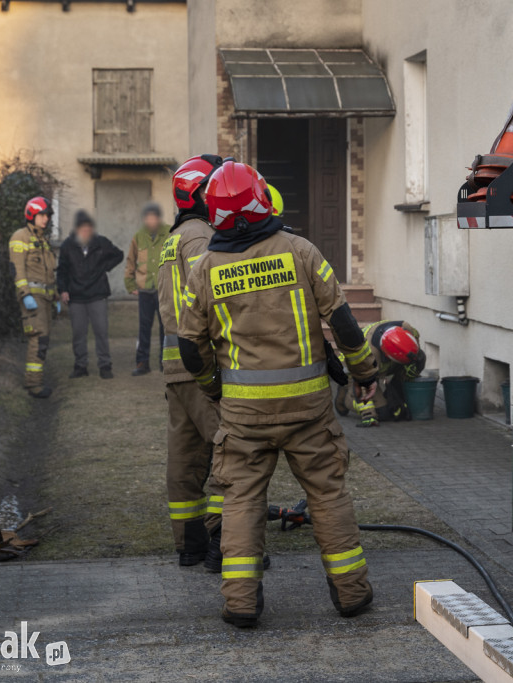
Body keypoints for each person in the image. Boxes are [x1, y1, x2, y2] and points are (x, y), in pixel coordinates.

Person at [177, 161, 378, 628]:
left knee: (241, 502)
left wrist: (212, 389)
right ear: (260, 199)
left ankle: (241, 603)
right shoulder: (300, 250)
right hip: (309, 412)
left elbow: (191, 347)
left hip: (244, 417)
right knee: (328, 495)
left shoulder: (205, 268)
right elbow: (344, 323)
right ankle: (351, 594)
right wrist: (364, 369)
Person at [157, 154, 227, 567]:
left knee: (183, 461)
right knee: (227, 452)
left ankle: (190, 546)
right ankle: (225, 544)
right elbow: (211, 294)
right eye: (213, 186)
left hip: (175, 370)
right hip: (203, 365)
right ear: (198, 192)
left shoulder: (172, 239)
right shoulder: (200, 236)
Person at [57, 210, 124, 379]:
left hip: (97, 294)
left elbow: (119, 254)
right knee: (79, 333)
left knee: (101, 331)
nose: (86, 231)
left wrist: (104, 267)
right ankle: (80, 366)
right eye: (83, 228)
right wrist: (63, 290)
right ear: (77, 229)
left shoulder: (101, 243)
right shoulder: (67, 246)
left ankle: (105, 366)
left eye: (89, 228)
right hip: (76, 296)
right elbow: (62, 271)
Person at [9, 197, 58, 399]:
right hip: (32, 296)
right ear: (31, 215)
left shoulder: (43, 239)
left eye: (47, 215)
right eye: (42, 215)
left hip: (45, 297)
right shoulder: (20, 237)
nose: (45, 219)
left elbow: (48, 272)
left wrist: (54, 297)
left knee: (43, 339)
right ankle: (33, 384)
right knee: (38, 338)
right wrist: (25, 294)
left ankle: (36, 380)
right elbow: (17, 270)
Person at [335, 320, 426, 427]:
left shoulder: (406, 328)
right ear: (389, 356)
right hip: (354, 370)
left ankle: (394, 395)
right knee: (382, 413)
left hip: (380, 365)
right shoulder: (368, 356)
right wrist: (368, 415)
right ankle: (346, 397)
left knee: (419, 359)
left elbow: (415, 350)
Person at [125, 202, 171, 376]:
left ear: (158, 218)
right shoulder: (139, 236)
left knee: (165, 328)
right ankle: (142, 362)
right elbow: (130, 261)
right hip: (145, 290)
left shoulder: (169, 233)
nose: (151, 221)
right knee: (144, 328)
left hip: (163, 290)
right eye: (148, 218)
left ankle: (164, 361)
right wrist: (130, 284)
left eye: (154, 217)